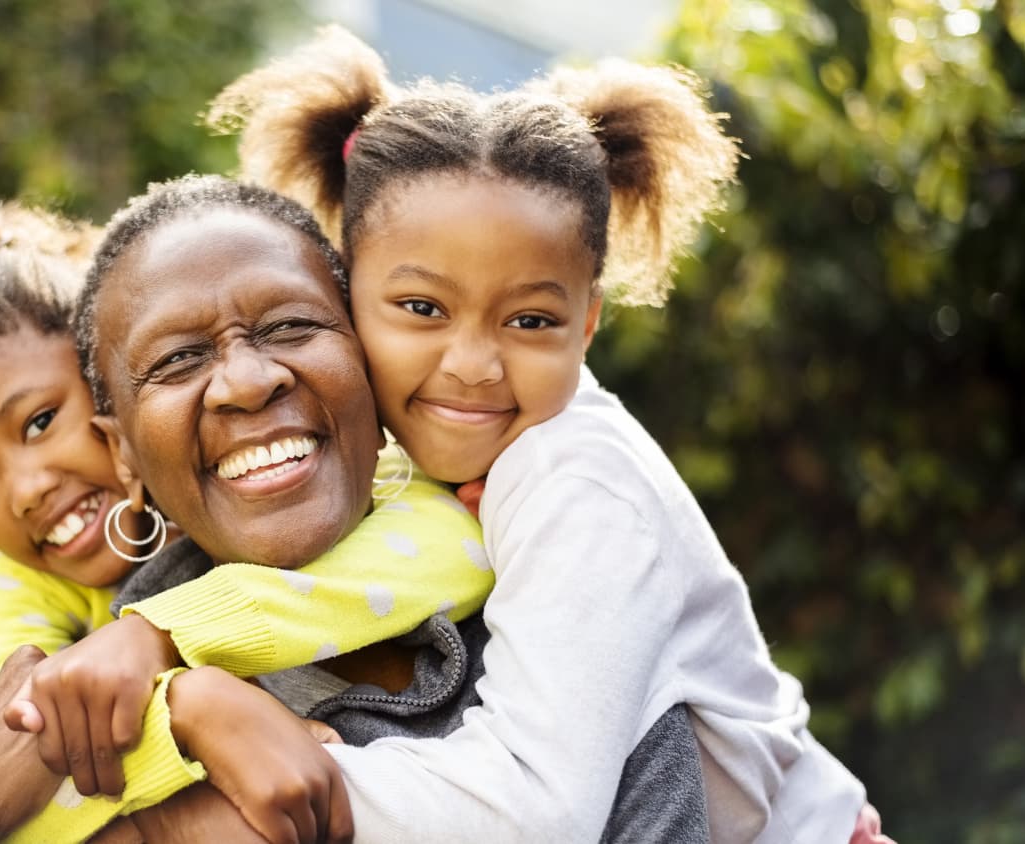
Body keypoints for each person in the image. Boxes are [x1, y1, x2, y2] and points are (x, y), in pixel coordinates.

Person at [200, 25, 888, 844]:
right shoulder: (385, 458)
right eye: (422, 309)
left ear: (587, 324)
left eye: (530, 320)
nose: (474, 364)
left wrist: (251, 779)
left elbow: (533, 809)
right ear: (345, 292)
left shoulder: (577, 483)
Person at [0, 176, 712, 842]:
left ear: (363, 352)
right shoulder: (94, 676)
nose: (247, 381)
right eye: (179, 360)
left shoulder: (548, 565)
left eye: (292, 326)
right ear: (123, 452)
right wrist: (183, 711)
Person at [0, 202, 497, 841]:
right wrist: (182, 714)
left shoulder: (385, 464)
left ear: (105, 400)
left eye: (40, 422)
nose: (27, 490)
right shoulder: (9, 576)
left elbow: (452, 541)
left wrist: (166, 637)